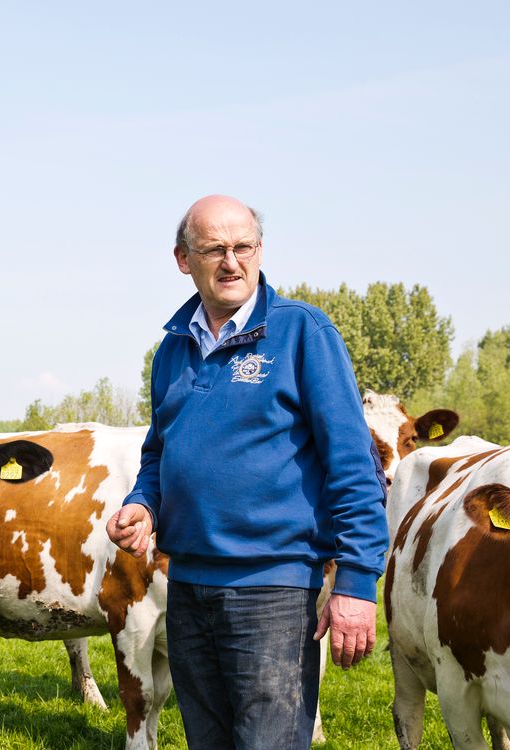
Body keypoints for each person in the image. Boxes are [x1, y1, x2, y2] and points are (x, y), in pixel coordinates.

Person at [107, 194, 387, 749]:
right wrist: (143, 502)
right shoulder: (173, 348)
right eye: (214, 249)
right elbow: (160, 453)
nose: (231, 261)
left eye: (243, 247)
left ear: (260, 252)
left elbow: (354, 465)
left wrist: (356, 582)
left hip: (273, 588)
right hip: (186, 585)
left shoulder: (302, 332)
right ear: (184, 260)